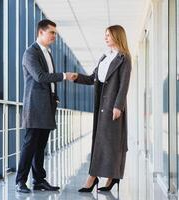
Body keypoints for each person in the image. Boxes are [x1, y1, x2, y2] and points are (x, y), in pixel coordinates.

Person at [15, 19, 77, 193]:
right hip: (34, 107)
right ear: (41, 32)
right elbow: (40, 77)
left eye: (55, 33)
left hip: (47, 106)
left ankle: (39, 180)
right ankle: (20, 181)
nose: (54, 36)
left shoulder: (47, 53)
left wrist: (54, 96)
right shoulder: (30, 53)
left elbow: (47, 80)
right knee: (29, 145)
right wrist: (64, 75)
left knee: (40, 146)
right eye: (51, 33)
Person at [75, 25, 131, 193]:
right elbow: (93, 78)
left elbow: (124, 84)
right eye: (105, 35)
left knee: (111, 144)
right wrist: (76, 77)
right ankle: (105, 177)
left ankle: (98, 177)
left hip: (113, 107)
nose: (105, 38)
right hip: (101, 107)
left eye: (108, 35)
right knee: (102, 143)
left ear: (117, 36)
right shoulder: (104, 57)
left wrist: (118, 106)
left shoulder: (124, 58)